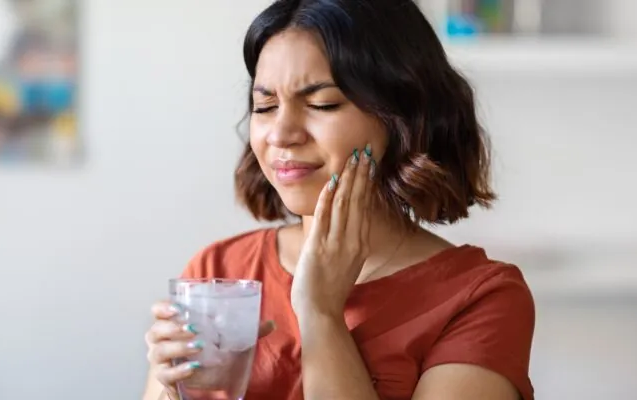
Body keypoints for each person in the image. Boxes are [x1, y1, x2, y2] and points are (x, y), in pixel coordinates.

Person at [143, 1, 535, 399]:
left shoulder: (481, 298)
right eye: (265, 106)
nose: (281, 134)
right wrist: (171, 391)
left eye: (322, 104)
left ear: (403, 116)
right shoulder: (218, 271)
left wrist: (320, 313)